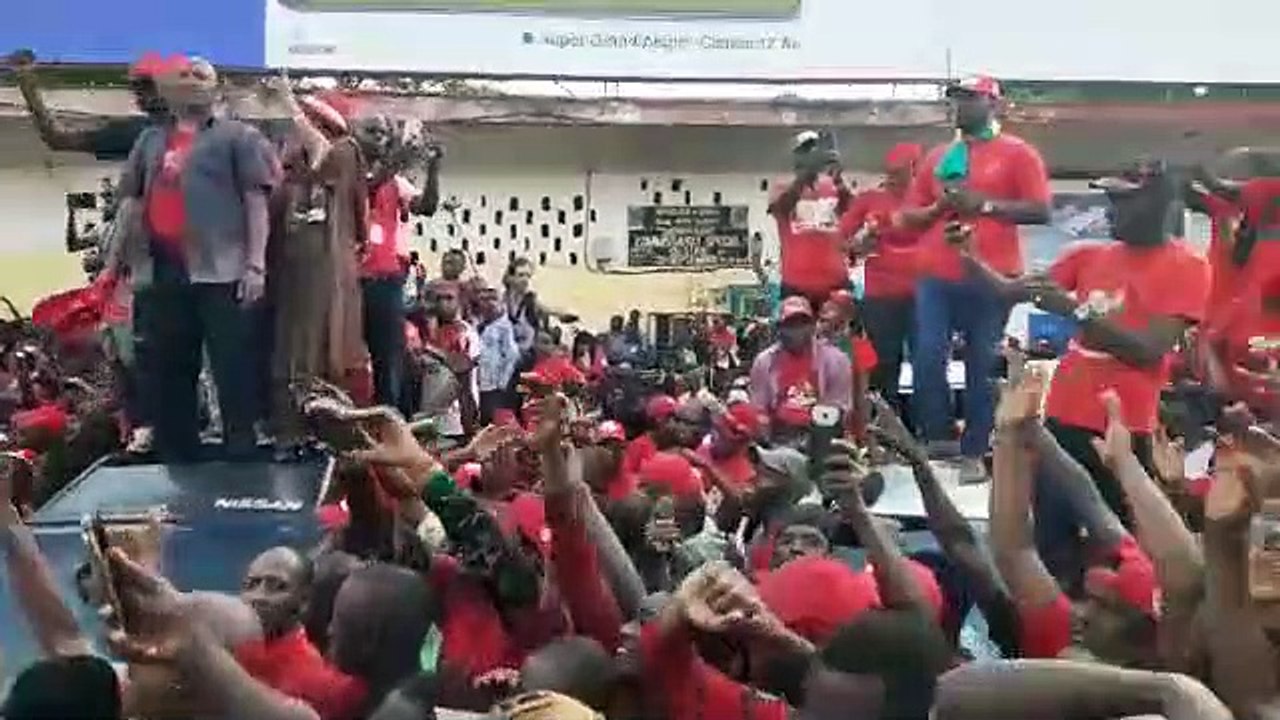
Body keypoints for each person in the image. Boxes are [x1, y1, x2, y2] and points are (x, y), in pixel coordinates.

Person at [116, 56, 278, 461]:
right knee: (170, 365)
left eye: (200, 75)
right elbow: (132, 202)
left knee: (231, 363)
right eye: (183, 76)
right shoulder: (150, 140)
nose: (191, 82)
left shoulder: (239, 137)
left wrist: (255, 264)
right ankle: (179, 452)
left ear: (217, 87)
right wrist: (123, 262)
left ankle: (241, 448)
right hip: (164, 266)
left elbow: (255, 202)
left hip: (221, 268)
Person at [899, 75, 1051, 482]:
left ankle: (975, 449)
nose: (960, 107)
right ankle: (939, 437)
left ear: (993, 103)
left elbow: (1041, 210)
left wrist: (982, 205)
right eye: (956, 101)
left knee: (982, 363)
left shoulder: (1019, 154)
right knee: (927, 356)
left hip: (992, 274)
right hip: (936, 272)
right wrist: (937, 209)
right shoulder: (937, 157)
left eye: (969, 99)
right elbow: (907, 217)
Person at [266, 82, 368, 454]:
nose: (290, 139)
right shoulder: (291, 177)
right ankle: (292, 433)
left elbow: (322, 150)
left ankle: (322, 435)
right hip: (289, 281)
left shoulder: (343, 154)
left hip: (323, 282)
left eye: (298, 128)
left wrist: (288, 103)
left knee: (317, 353)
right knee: (291, 353)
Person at [359, 115, 442, 409]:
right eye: (372, 131)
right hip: (349, 281)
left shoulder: (398, 183)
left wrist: (433, 167)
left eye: (383, 132)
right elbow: (368, 184)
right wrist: (402, 156)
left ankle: (389, 423)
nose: (378, 137)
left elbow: (427, 207)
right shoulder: (348, 169)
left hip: (387, 279)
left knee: (388, 356)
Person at [842, 143, 924, 405]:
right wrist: (862, 241)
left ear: (915, 169)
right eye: (889, 172)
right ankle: (885, 423)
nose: (892, 177)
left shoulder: (929, 201)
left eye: (899, 172)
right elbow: (841, 240)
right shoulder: (869, 200)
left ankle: (926, 427)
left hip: (925, 295)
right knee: (885, 363)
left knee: (928, 361)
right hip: (882, 295)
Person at [8, 49, 168, 160]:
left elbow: (57, 139)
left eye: (143, 89)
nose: (137, 96)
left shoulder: (141, 132)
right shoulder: (137, 132)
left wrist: (25, 78)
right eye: (137, 89)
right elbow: (58, 139)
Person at [767, 130, 855, 310]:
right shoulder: (782, 186)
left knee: (839, 335)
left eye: (814, 150)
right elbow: (780, 208)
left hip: (835, 282)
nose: (810, 155)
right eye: (806, 151)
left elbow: (852, 209)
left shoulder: (833, 186)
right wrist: (804, 178)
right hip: (797, 284)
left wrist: (838, 179)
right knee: (796, 335)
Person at [749, 296, 853, 429]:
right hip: (778, 436)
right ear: (779, 328)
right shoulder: (764, 362)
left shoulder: (836, 360)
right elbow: (759, 406)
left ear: (811, 326)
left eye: (802, 324)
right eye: (790, 325)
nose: (796, 330)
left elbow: (840, 406)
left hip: (820, 433)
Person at [474, 285, 521, 425]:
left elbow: (512, 354)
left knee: (491, 419)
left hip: (494, 384)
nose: (489, 304)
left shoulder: (504, 327)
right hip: (478, 381)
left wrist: (502, 381)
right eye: (484, 300)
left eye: (493, 299)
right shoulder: (479, 324)